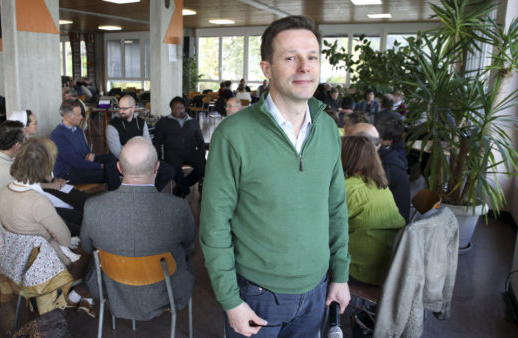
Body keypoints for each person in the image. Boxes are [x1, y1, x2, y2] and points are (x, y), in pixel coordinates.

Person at [200, 16, 350, 338]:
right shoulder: (234, 134)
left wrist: (340, 274)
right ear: (267, 69)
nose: (304, 67)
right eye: (290, 57)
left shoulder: (326, 128)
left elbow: (336, 206)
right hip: (256, 296)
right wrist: (230, 301)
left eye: (312, 57)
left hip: (317, 291)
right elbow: (214, 224)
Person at [80, 137, 196, 320]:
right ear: (157, 167)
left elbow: (87, 247)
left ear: (119, 168)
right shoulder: (178, 207)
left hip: (113, 290)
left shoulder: (93, 207)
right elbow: (189, 243)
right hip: (167, 291)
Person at [0, 136, 94, 316]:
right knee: (91, 243)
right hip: (37, 265)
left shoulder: (7, 190)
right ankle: (80, 293)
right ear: (45, 167)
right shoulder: (38, 201)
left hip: (13, 255)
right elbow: (64, 238)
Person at [341, 135, 405, 286]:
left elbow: (323, 227)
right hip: (389, 263)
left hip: (361, 269)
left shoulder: (348, 189)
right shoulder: (378, 183)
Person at [106, 94, 174, 191]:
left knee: (169, 171)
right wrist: (138, 162)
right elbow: (117, 152)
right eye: (119, 108)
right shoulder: (112, 126)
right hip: (123, 162)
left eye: (124, 109)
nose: (121, 111)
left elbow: (148, 144)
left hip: (142, 159)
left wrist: (146, 160)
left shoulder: (141, 122)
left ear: (133, 108)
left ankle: (150, 193)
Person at [50, 100, 121, 191]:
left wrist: (91, 154)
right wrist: (100, 165)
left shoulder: (77, 130)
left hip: (82, 162)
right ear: (67, 117)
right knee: (108, 172)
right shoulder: (58, 136)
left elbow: (86, 151)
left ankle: (115, 192)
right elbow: (76, 162)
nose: (82, 117)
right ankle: (117, 194)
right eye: (78, 115)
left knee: (111, 158)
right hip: (68, 172)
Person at [153, 96, 205, 197]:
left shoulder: (193, 122)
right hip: (172, 152)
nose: (178, 110)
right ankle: (183, 190)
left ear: (184, 108)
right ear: (171, 109)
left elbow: (200, 140)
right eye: (175, 107)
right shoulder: (163, 122)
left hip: (190, 151)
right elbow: (157, 141)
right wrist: (158, 158)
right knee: (175, 170)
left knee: (204, 166)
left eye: (180, 107)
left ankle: (183, 187)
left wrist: (201, 154)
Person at [375, 117, 410, 223]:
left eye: (376, 136)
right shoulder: (390, 154)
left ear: (388, 141)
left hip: (392, 223)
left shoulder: (388, 165)